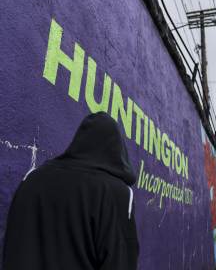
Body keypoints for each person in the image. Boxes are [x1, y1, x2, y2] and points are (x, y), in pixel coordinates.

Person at [3, 112, 139, 270]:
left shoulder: (31, 179)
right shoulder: (117, 194)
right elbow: (121, 261)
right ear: (118, 149)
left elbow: (11, 245)